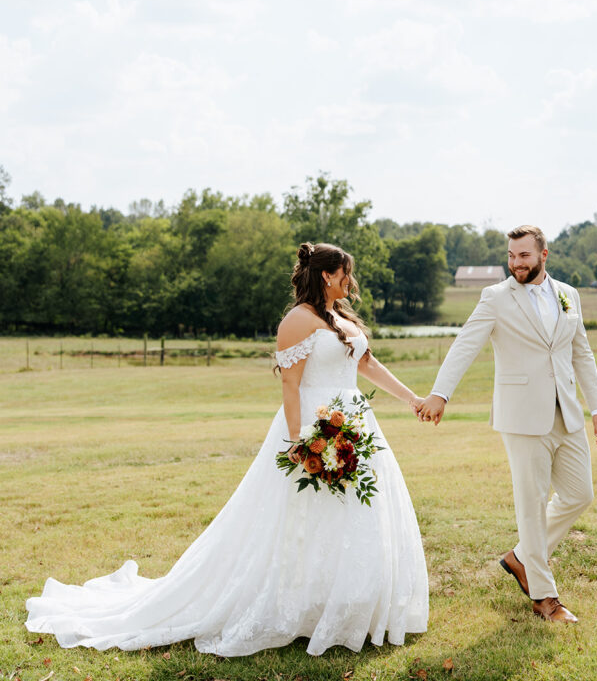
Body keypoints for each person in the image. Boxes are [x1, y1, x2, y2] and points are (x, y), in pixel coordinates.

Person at [26, 242, 429, 656]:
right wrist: (299, 442)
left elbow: (367, 365)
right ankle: (299, 607)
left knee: (351, 514)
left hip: (354, 425)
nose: (351, 280)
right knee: (299, 516)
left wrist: (412, 399)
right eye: (345, 272)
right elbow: (291, 385)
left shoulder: (342, 318)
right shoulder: (298, 320)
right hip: (313, 424)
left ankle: (342, 602)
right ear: (326, 275)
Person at [416, 225, 597, 624]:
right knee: (532, 505)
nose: (516, 263)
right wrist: (440, 393)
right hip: (521, 416)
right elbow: (465, 344)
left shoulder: (568, 295)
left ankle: (521, 557)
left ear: (543, 255)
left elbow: (582, 353)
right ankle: (544, 598)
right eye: (511, 255)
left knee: (580, 495)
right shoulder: (496, 297)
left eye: (523, 255)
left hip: (567, 412)